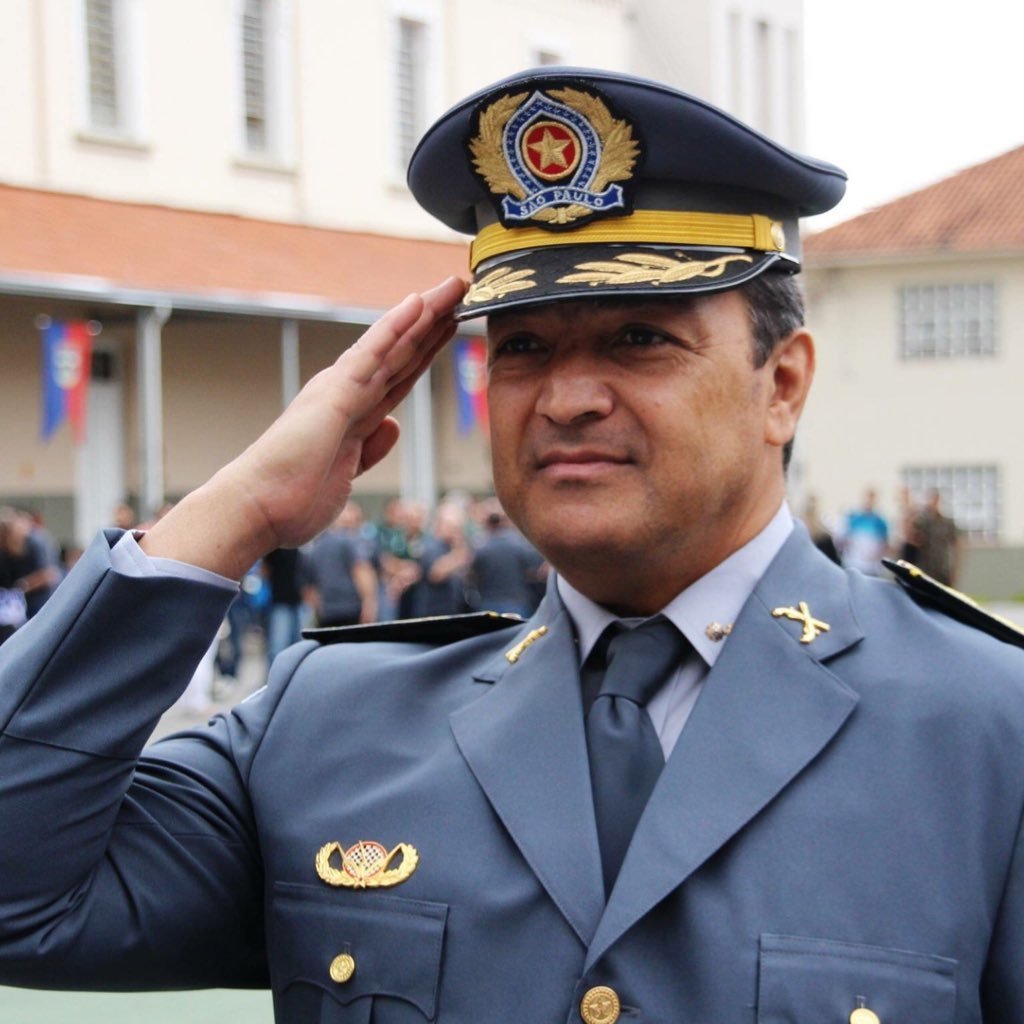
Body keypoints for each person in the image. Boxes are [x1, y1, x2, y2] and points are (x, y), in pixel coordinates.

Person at [0, 67, 1023, 1024]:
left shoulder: (985, 733)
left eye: (639, 337)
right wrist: (241, 509)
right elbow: (19, 895)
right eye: (524, 346)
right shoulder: (328, 725)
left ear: (783, 384)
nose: (567, 398)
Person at [910, 487, 962, 585]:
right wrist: (914, 510)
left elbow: (957, 546)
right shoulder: (921, 522)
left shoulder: (947, 523)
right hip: (925, 568)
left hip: (942, 569)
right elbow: (911, 538)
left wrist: (955, 569)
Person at [838, 487, 890, 576]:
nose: (869, 501)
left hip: (872, 567)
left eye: (871, 498)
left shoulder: (880, 522)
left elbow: (885, 544)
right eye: (867, 498)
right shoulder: (853, 519)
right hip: (854, 564)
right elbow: (843, 540)